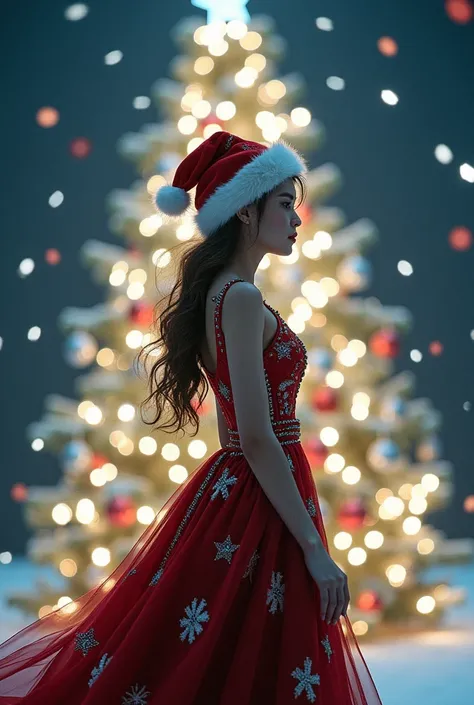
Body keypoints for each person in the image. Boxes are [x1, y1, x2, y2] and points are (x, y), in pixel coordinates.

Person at [0, 131, 384, 704]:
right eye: (285, 204)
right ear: (246, 212)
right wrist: (312, 547)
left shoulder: (224, 294)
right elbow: (254, 436)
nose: (297, 218)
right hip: (259, 494)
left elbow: (240, 429)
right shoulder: (242, 299)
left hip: (244, 490)